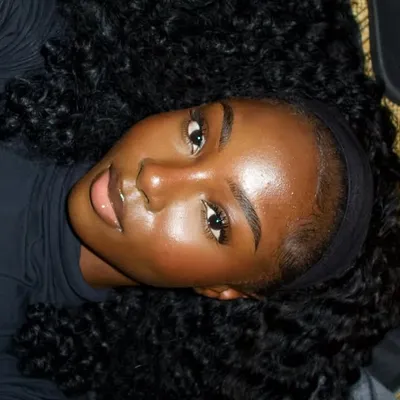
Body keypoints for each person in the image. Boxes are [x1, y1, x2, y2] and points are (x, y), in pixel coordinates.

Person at [0, 0, 399, 399]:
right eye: (197, 136)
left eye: (215, 219)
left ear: (222, 288)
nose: (155, 177)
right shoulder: (31, 50)